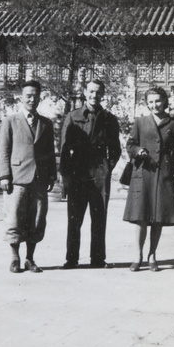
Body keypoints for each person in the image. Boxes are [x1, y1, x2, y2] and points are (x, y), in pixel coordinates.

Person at [60, 79, 121, 269]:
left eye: (99, 92)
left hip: (99, 171)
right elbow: (63, 148)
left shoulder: (109, 118)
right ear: (85, 92)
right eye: (92, 92)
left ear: (103, 94)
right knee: (74, 217)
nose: (95, 96)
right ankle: (71, 258)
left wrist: (107, 167)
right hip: (78, 169)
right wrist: (66, 174)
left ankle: (97, 259)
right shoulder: (73, 116)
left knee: (99, 215)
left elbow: (116, 148)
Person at [0, 80, 57, 273]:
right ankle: (15, 258)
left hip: (39, 179)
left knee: (37, 219)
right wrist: (4, 175)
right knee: (14, 218)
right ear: (21, 98)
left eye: (35, 95)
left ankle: (30, 259)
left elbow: (49, 152)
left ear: (40, 98)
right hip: (17, 179)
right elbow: (4, 150)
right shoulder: (10, 121)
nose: (32, 99)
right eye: (28, 95)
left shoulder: (46, 124)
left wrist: (51, 176)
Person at [123, 87, 174, 272]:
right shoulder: (140, 122)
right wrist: (137, 150)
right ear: (146, 103)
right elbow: (130, 144)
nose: (154, 105)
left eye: (157, 101)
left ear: (165, 101)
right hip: (144, 173)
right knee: (140, 217)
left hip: (164, 174)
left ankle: (152, 255)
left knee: (158, 218)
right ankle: (138, 255)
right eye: (150, 102)